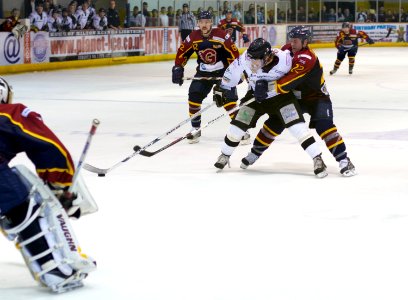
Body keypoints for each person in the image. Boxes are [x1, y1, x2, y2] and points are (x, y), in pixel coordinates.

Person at [0, 77, 97, 292]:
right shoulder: (9, 113)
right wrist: (60, 184)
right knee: (21, 207)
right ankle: (53, 269)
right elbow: (47, 145)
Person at [240, 26, 356, 177]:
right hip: (295, 98)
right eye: (291, 40)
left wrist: (264, 87)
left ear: (305, 42)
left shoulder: (306, 58)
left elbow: (286, 83)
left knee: (324, 127)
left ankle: (344, 160)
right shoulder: (286, 49)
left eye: (295, 41)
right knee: (274, 122)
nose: (292, 43)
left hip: (316, 97)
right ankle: (255, 153)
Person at [213, 38, 328, 178]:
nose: (253, 63)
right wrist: (222, 89)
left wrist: (269, 87)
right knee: (238, 126)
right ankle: (224, 155)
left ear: (267, 56)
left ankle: (317, 158)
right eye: (251, 59)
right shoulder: (246, 58)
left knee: (297, 127)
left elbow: (293, 79)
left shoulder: (284, 60)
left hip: (281, 98)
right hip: (254, 97)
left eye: (257, 59)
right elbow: (231, 73)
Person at [172, 10, 241, 144]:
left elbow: (234, 54)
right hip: (203, 72)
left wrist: (236, 73)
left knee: (229, 100)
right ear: (198, 23)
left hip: (223, 73)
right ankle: (195, 129)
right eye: (202, 22)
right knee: (194, 95)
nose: (204, 25)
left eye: (207, 22)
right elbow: (182, 52)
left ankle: (240, 130)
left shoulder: (222, 36)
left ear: (211, 23)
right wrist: (178, 67)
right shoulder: (193, 37)